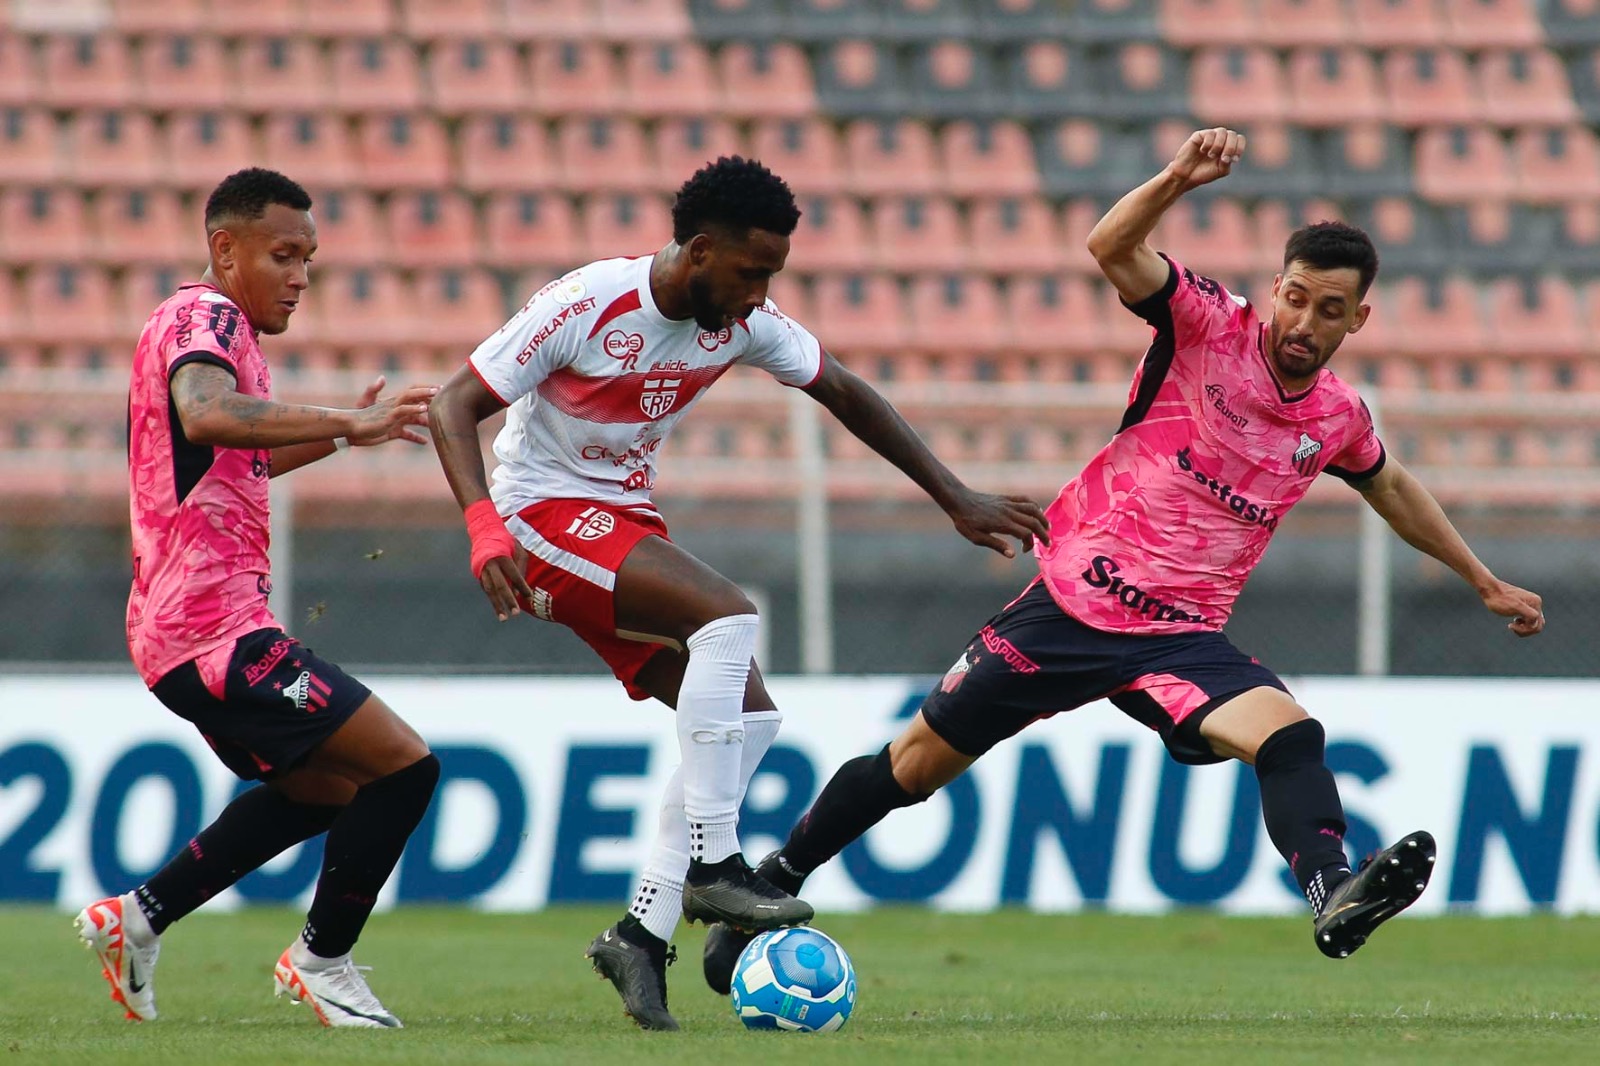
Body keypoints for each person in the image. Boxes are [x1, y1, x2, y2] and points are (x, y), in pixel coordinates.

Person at [701, 127, 1549, 993]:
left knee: (1291, 737)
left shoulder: (1336, 417)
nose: (1305, 323)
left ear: (1357, 318)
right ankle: (776, 880)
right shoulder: (1207, 325)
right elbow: (1110, 245)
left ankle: (1333, 891)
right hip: (1073, 602)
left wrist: (1481, 579)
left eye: (1330, 310)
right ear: (1276, 290)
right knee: (914, 766)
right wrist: (1180, 176)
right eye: (1296, 299)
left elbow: (1392, 486)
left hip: (1179, 640)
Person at [429, 155, 1049, 1030]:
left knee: (751, 720)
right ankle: (715, 867)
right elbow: (452, 404)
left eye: (773, 276)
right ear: (699, 250)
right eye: (752, 272)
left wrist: (954, 496)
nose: (761, 294)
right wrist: (482, 525)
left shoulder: (740, 320)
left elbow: (844, 391)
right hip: (539, 516)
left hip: (622, 524)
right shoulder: (588, 303)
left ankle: (641, 933)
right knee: (729, 615)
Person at [76, 168, 441, 1029]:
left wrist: (340, 433)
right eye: (283, 254)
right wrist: (345, 421)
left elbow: (235, 455)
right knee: (406, 767)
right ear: (223, 248)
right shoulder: (206, 319)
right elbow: (207, 415)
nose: (301, 276)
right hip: (213, 630)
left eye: (308, 259)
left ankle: (138, 917)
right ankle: (323, 962)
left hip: (179, 634)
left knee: (328, 791)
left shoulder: (201, 326)